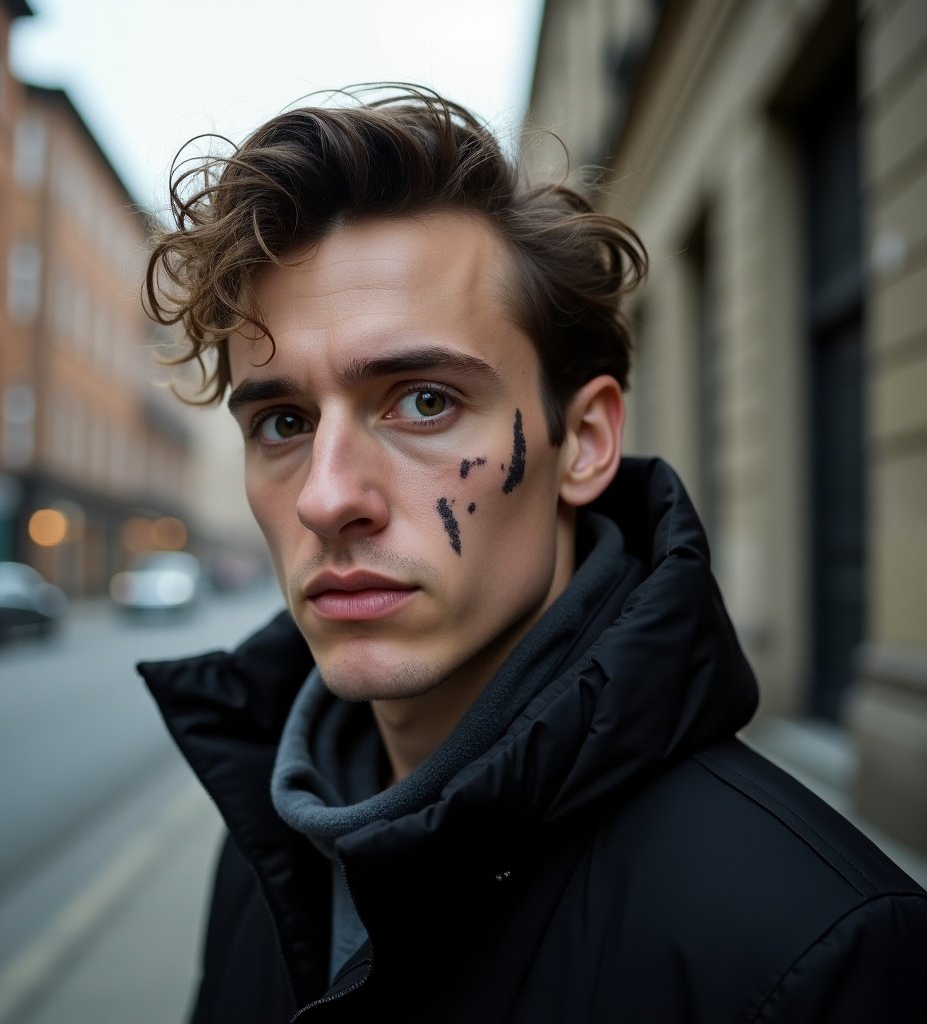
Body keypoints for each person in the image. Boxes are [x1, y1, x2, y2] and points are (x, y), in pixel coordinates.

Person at [139, 86, 927, 1023]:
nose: (325, 496)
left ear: (585, 441)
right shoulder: (272, 842)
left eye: (423, 400)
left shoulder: (815, 951)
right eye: (281, 421)